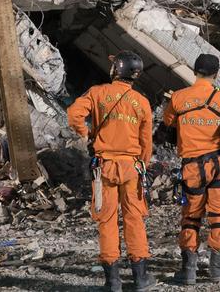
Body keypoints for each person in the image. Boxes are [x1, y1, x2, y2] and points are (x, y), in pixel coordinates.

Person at [67, 51, 157, 292]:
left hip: (104, 168)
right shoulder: (142, 102)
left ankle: (113, 282)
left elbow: (74, 114)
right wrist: (143, 166)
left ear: (116, 69)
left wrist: (85, 134)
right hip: (132, 169)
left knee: (106, 220)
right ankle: (140, 278)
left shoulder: (97, 93)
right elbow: (146, 142)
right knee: (134, 219)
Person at [162, 54, 220, 284]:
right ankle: (217, 269)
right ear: (215, 73)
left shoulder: (179, 97)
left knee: (191, 216)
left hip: (192, 166)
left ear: (195, 71)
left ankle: (189, 270)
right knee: (219, 215)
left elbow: (168, 123)